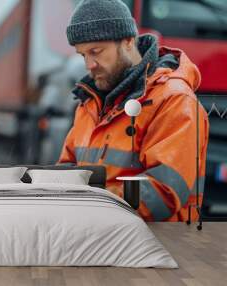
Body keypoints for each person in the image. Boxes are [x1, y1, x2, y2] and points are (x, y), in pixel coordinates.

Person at [58, 0, 209, 221]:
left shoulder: (174, 101)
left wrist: (87, 209)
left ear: (128, 41)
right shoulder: (91, 103)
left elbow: (161, 193)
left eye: (96, 51)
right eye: (83, 55)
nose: (89, 65)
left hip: (154, 249)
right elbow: (65, 169)